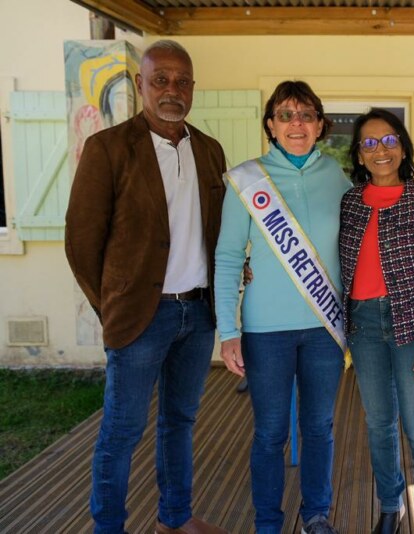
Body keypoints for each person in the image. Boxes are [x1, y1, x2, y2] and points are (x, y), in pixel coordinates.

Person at [65, 40, 227, 534]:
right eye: (160, 80)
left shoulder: (209, 150)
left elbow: (217, 231)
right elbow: (81, 243)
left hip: (198, 314)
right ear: (140, 85)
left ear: (193, 88)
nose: (171, 90)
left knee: (180, 423)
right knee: (122, 430)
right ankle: (108, 527)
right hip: (140, 317)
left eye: (182, 81)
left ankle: (174, 519)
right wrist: (113, 307)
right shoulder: (109, 148)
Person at [214, 80, 351, 534]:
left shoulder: (338, 178)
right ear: (270, 125)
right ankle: (268, 522)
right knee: (271, 432)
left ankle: (316, 515)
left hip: (324, 330)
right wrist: (228, 331)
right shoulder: (246, 180)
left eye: (307, 115)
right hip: (265, 331)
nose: (297, 123)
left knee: (319, 428)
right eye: (286, 115)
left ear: (320, 125)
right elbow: (228, 257)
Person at [339, 109, 414, 534]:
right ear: (359, 154)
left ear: (403, 147)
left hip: (413, 325)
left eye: (389, 140)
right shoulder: (350, 202)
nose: (380, 150)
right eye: (369, 143)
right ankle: (390, 506)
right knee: (379, 424)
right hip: (363, 325)